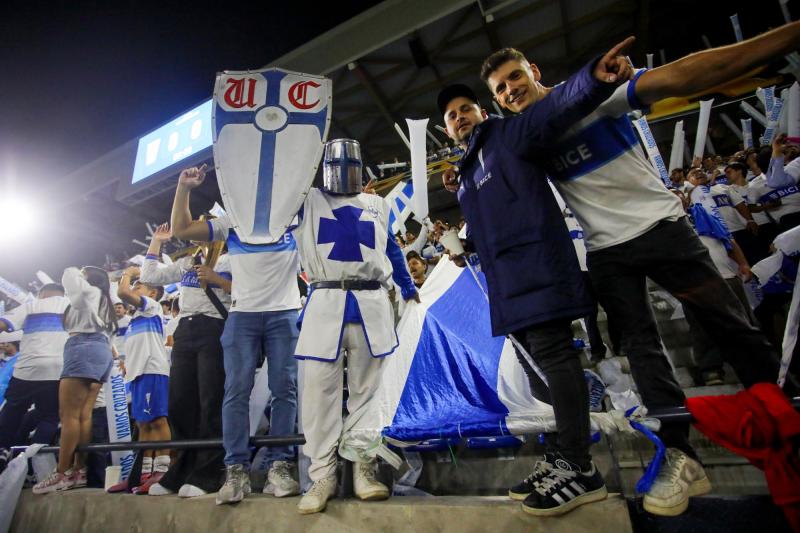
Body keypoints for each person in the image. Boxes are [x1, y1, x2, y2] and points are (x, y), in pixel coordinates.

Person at [468, 20, 800, 516]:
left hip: (662, 228)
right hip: (606, 250)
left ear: (533, 70)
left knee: (734, 329)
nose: (511, 91)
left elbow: (682, 76)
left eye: (516, 77)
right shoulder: (526, 137)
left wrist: (788, 34)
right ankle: (681, 456)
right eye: (500, 90)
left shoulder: (594, 93)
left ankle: (787, 428)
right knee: (642, 351)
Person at [438, 37, 634, 517]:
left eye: (467, 108)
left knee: (556, 360)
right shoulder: (466, 174)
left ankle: (579, 467)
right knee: (545, 368)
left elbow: (557, 107)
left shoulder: (509, 134)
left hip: (538, 272)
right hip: (508, 286)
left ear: (483, 113)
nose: (460, 116)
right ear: (446, 131)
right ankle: (565, 454)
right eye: (451, 116)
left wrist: (593, 77)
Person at [291, 139, 419, 514]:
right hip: (324, 302)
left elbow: (391, 249)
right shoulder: (309, 200)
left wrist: (409, 288)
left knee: (369, 394)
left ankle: (364, 467)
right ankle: (322, 475)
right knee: (318, 398)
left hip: (372, 304)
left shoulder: (377, 205)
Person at [170, 164, 302, 505]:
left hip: (284, 313)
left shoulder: (296, 216)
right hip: (242, 316)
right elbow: (182, 228)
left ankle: (280, 466)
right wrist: (184, 187)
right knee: (235, 392)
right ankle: (236, 470)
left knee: (284, 391)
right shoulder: (232, 223)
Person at [140, 223, 233, 498]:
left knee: (210, 402)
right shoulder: (189, 261)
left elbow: (249, 292)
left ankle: (209, 472)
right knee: (179, 403)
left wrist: (216, 278)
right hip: (185, 330)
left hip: (215, 327)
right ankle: (181, 469)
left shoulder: (236, 257)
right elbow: (149, 275)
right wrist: (157, 242)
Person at [33, 266, 117, 494]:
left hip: (83, 347)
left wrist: (76, 270)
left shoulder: (88, 291)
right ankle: (79, 470)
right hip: (101, 350)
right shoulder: (104, 300)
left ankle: (61, 472)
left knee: (68, 415)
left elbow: (68, 275)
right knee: (84, 415)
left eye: (84, 272)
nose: (80, 273)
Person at [0, 284, 69, 473]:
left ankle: (2, 449)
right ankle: (35, 461)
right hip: (59, 368)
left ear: (42, 294)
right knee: (50, 415)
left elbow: (3, 324)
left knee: (13, 409)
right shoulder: (72, 305)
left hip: (28, 369)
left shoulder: (32, 305)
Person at [115, 266, 172, 494]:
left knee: (158, 420)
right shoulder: (134, 318)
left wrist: (127, 274)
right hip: (137, 373)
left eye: (139, 286)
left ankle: (163, 471)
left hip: (152, 369)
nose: (133, 288)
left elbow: (122, 293)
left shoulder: (152, 307)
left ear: (152, 294)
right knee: (142, 424)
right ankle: (144, 474)